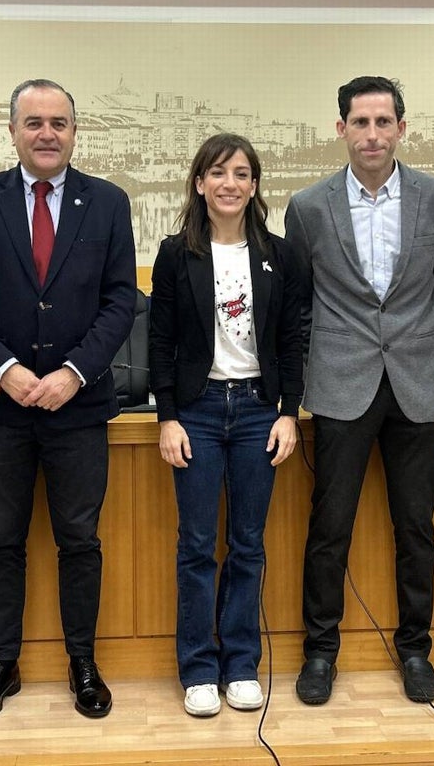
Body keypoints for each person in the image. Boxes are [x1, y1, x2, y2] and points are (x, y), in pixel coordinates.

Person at [0, 78, 136, 722]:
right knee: (1, 541)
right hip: (1, 407)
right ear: (12, 132)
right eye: (34, 123)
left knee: (80, 540)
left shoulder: (107, 202)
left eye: (58, 122)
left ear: (75, 132)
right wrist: (3, 369)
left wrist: (76, 372)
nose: (46, 133)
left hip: (78, 408)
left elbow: (118, 302)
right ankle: (3, 662)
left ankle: (84, 661)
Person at [284, 76, 434, 705]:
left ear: (401, 129)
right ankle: (320, 651)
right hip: (341, 385)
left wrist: (416, 344)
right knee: (330, 527)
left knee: (416, 526)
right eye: (359, 122)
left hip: (416, 384)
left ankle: (416, 649)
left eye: (383, 122)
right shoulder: (307, 207)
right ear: (341, 129)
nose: (372, 134)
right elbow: (300, 303)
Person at [148, 134, 305, 717]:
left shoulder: (279, 255)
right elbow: (159, 341)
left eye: (241, 174)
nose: (230, 184)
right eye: (218, 173)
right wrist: (167, 416)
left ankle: (240, 664)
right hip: (199, 411)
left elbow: (291, 338)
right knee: (195, 545)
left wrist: (290, 411)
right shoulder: (175, 252)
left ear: (255, 185)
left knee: (247, 544)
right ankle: (197, 667)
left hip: (260, 412)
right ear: (199, 183)